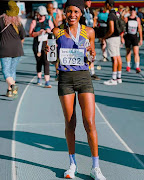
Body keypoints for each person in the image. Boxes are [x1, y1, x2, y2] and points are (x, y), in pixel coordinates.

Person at [46, 0, 106, 179]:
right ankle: (72, 164)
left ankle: (95, 167)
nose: (72, 15)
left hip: (83, 78)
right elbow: (51, 60)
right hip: (65, 80)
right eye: (69, 11)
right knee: (70, 123)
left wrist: (91, 54)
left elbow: (90, 57)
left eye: (76, 12)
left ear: (81, 14)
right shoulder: (57, 32)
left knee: (89, 122)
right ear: (65, 13)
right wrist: (50, 52)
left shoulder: (89, 32)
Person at [0, 0, 25, 97]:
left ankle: (13, 85)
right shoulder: (18, 21)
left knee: (5, 70)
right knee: (12, 70)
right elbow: (23, 36)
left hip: (5, 49)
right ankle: (10, 91)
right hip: (17, 49)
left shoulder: (1, 20)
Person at [29, 6, 54, 87]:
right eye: (41, 15)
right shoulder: (34, 22)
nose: (42, 16)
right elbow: (30, 34)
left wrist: (49, 31)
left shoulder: (49, 21)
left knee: (46, 62)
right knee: (39, 61)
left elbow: (54, 32)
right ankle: (39, 78)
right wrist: (38, 33)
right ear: (38, 14)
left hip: (46, 44)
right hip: (37, 44)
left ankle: (47, 81)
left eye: (43, 15)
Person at [102, 0, 123, 85]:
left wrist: (105, 37)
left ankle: (113, 79)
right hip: (117, 37)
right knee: (118, 57)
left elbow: (111, 29)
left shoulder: (111, 15)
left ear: (107, 4)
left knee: (114, 58)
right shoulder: (116, 13)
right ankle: (119, 77)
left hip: (112, 38)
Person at [81, 0, 100, 80]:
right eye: (88, 1)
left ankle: (92, 72)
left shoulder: (91, 11)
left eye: (90, 1)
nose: (90, 3)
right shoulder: (81, 11)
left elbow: (93, 22)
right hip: (82, 35)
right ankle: (84, 71)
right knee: (83, 53)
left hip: (90, 34)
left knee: (91, 52)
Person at [123, 6, 143, 73]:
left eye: (133, 10)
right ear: (130, 11)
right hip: (128, 36)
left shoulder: (137, 19)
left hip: (134, 37)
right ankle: (128, 66)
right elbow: (123, 27)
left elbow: (139, 29)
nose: (132, 12)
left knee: (136, 52)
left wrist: (141, 39)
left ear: (135, 11)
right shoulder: (127, 18)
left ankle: (137, 66)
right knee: (128, 51)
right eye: (131, 10)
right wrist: (122, 37)